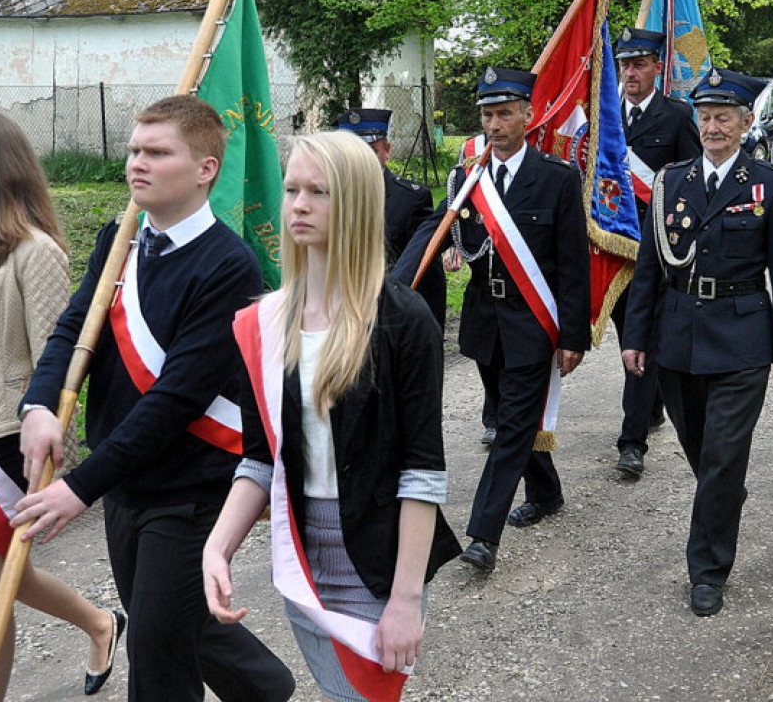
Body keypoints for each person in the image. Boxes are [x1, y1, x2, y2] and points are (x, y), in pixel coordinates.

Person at [12, 96, 295, 702]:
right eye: (135, 150)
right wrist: (37, 405)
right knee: (180, 623)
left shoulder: (228, 265)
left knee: (154, 650)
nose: (136, 163)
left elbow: (176, 400)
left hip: (191, 488)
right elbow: (73, 327)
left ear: (205, 169)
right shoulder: (121, 238)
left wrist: (78, 487)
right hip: (129, 482)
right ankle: (267, 689)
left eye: (157, 152)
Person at [202, 131, 461, 702]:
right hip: (304, 557)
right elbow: (258, 458)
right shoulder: (264, 322)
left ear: (356, 204)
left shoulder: (402, 319)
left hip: (376, 561)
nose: (298, 204)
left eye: (318, 192)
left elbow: (423, 471)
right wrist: (217, 547)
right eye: (292, 188)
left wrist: (405, 599)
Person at [620, 68, 773, 617]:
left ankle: (707, 570)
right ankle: (725, 500)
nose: (712, 126)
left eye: (724, 117)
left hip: (743, 336)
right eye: (704, 117)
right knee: (706, 457)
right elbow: (650, 269)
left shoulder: (771, 186)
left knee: (724, 458)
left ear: (747, 122)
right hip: (677, 337)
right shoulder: (670, 181)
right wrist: (636, 336)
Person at [393, 67, 591, 573]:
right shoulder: (467, 176)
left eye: (505, 113)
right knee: (508, 416)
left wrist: (574, 335)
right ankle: (546, 492)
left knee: (510, 429)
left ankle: (483, 533)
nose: (495, 123)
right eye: (487, 114)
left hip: (532, 321)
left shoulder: (557, 179)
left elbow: (572, 264)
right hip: (485, 319)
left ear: (528, 114)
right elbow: (437, 228)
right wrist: (393, 285)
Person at [0, 110, 122, 700]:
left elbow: (60, 363)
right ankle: (101, 622)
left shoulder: (35, 252)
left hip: (7, 440)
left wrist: (55, 450)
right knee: (5, 576)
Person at [610, 27, 701, 477]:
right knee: (627, 336)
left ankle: (632, 442)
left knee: (639, 337)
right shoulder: (603, 116)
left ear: (657, 67)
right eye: (624, 64)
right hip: (610, 252)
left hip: (657, 251)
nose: (630, 72)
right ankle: (651, 405)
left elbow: (692, 181)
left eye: (639, 63)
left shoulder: (676, 115)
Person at [333, 108, 447, 329]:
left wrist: (429, 330)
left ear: (387, 150)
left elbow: (426, 272)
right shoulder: (325, 198)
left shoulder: (411, 199)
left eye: (370, 152)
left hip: (391, 319)